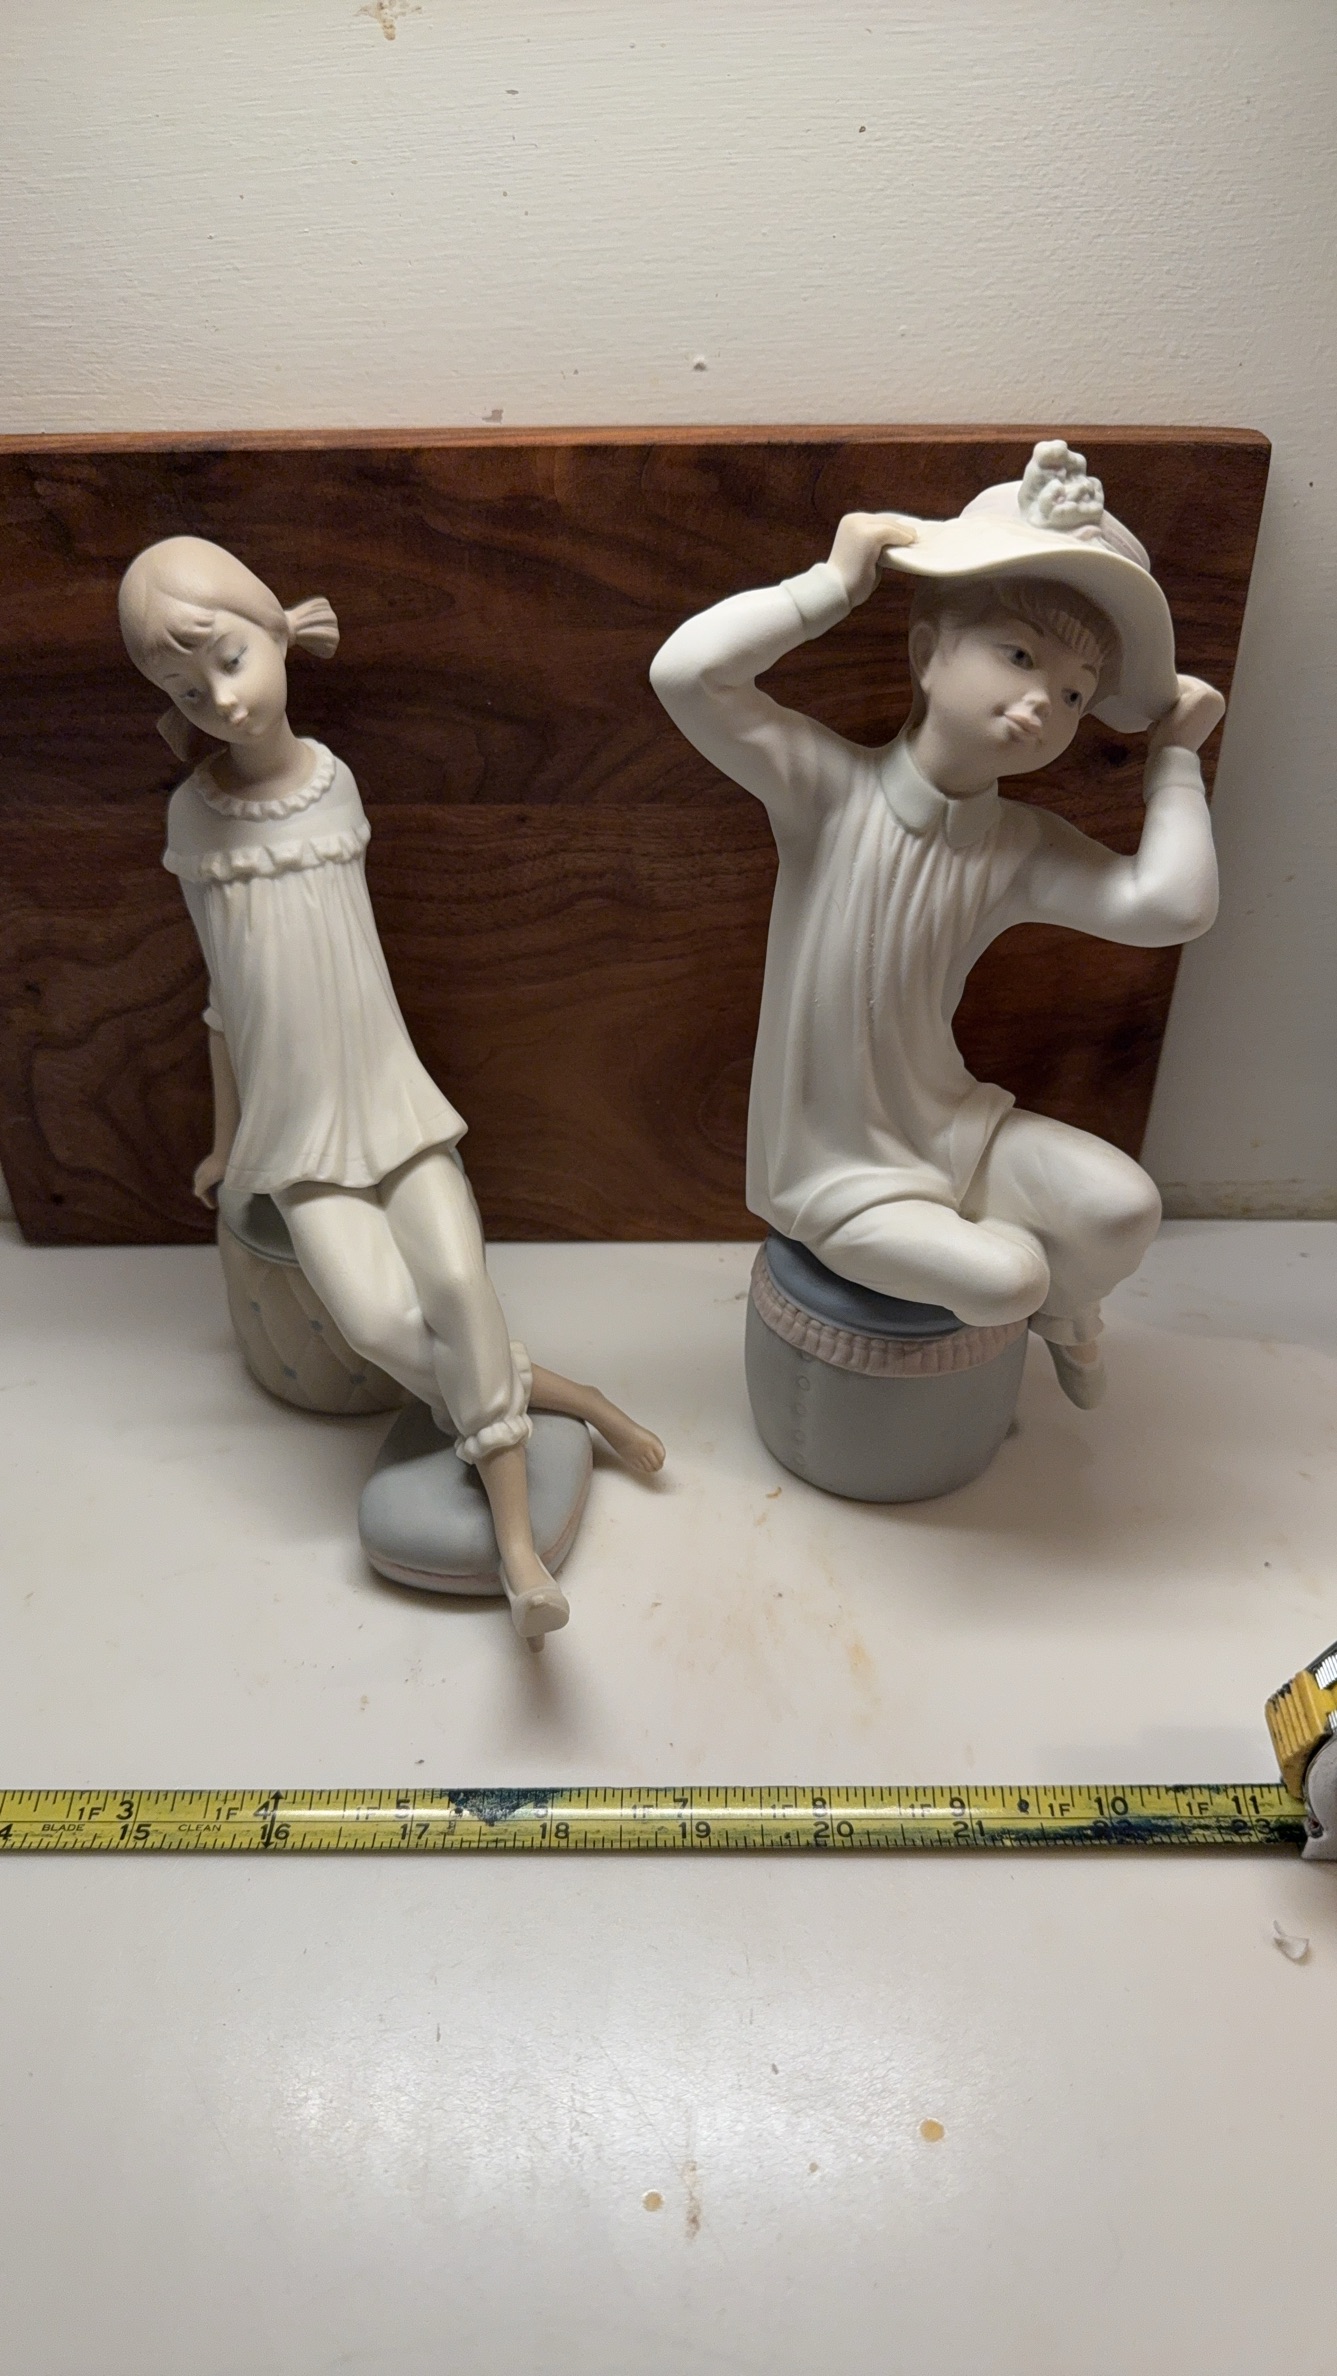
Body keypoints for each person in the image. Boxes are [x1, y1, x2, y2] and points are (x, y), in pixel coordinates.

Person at [119, 535, 662, 1643]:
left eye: (229, 661)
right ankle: (581, 1404)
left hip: (392, 1101)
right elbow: (223, 1001)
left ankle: (516, 1553)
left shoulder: (334, 783)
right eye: (186, 691)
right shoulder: (193, 820)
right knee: (376, 1320)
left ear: (275, 633)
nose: (221, 702)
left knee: (458, 1286)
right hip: (296, 1134)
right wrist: (226, 1140)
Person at [651, 440, 1224, 1409]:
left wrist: (1173, 761)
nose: (1041, 700)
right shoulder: (825, 790)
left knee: (1124, 1208)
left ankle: (1063, 1312)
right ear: (926, 655)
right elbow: (685, 674)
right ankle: (1021, 1298)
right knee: (1007, 1275)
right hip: (833, 1170)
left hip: (950, 1124)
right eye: (1017, 655)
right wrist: (829, 589)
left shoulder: (1019, 845)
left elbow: (1168, 908)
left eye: (1074, 693)